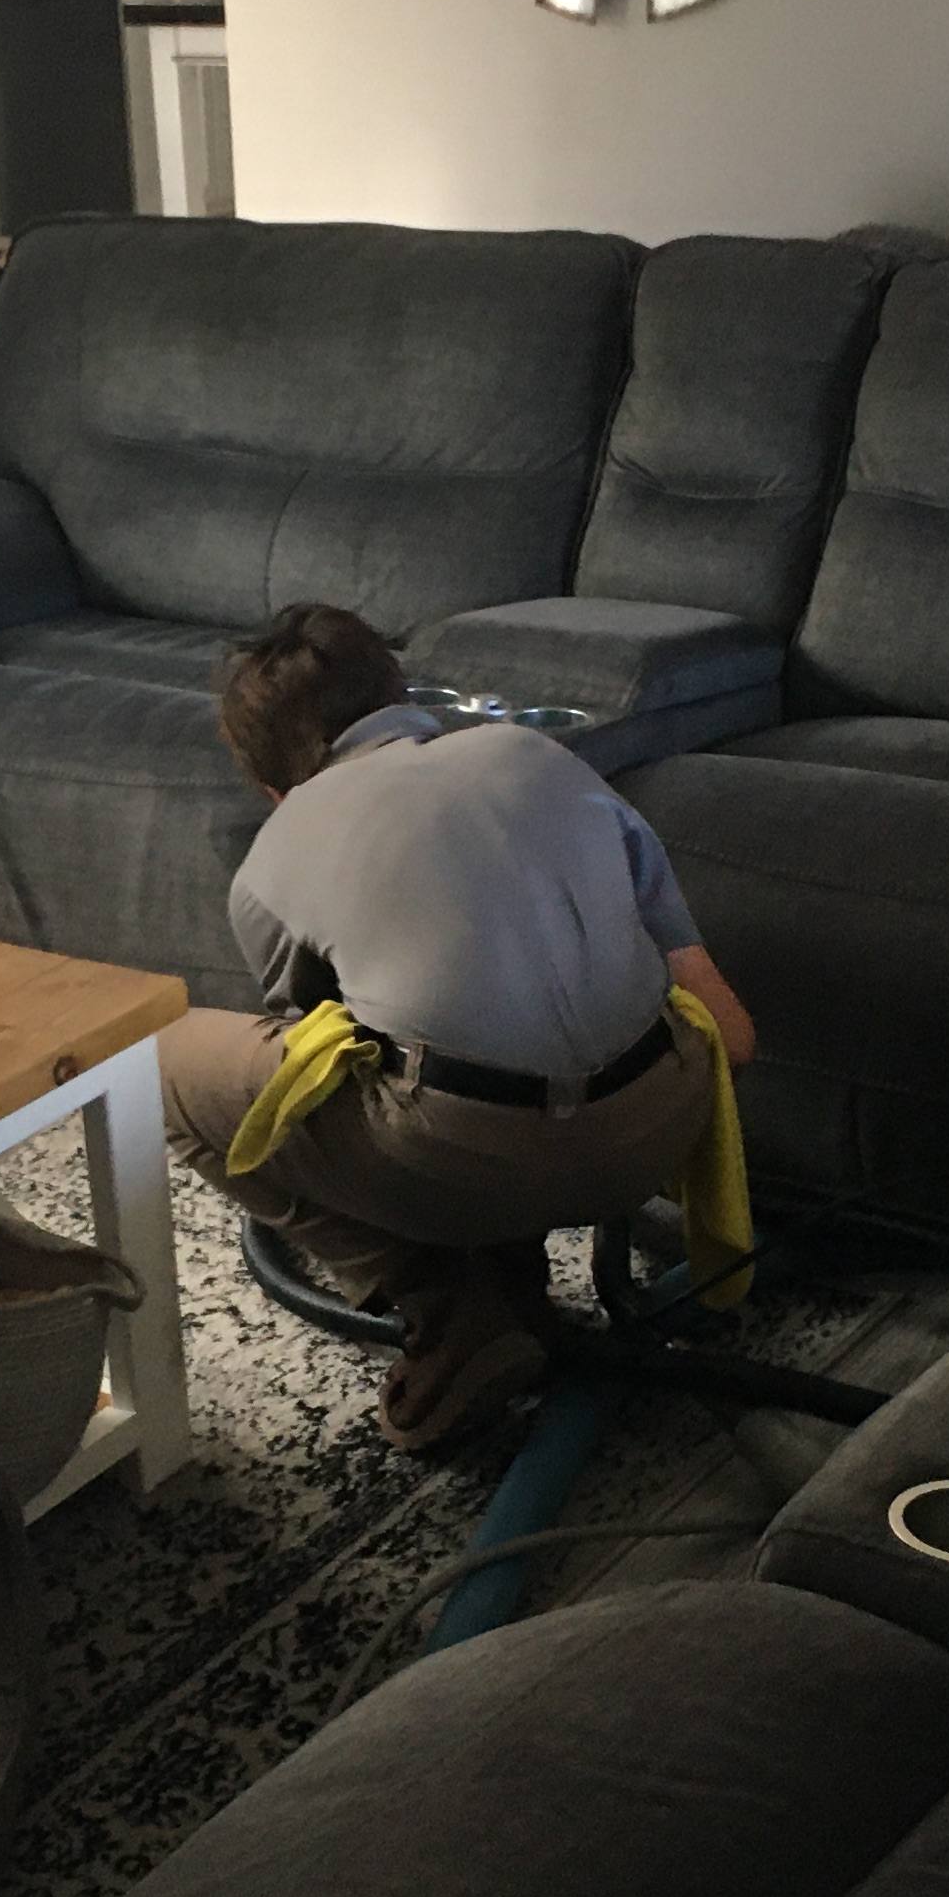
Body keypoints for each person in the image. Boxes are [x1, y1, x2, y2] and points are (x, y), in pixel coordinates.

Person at [159, 605, 760, 1452]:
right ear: (403, 698)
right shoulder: (540, 754)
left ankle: (449, 1308)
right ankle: (508, 1263)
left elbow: (317, 1065)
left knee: (151, 1066)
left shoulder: (274, 856)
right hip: (664, 1131)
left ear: (270, 788)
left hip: (466, 1165)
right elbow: (733, 1034)